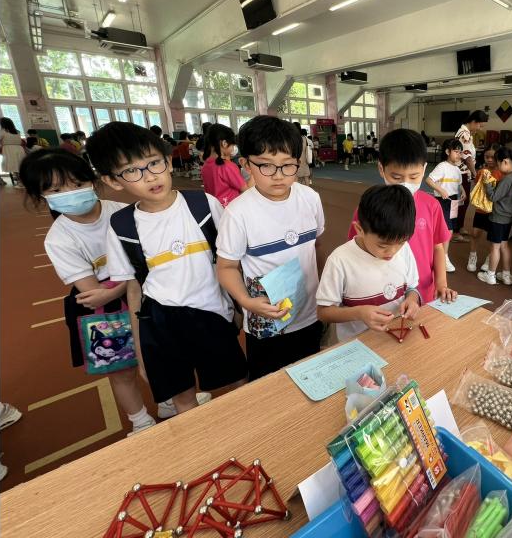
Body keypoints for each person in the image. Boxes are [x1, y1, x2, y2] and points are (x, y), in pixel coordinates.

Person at [19, 148, 194, 436]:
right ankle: (140, 420)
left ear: (92, 180)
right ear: (41, 195)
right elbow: (93, 292)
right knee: (121, 370)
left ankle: (167, 401)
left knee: (157, 354)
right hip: (105, 314)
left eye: (77, 184)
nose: (70, 193)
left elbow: (144, 263)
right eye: (56, 190)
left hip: (145, 296)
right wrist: (131, 280)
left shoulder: (122, 213)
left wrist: (119, 286)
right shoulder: (59, 238)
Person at [86, 123, 247, 414]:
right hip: (160, 324)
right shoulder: (122, 226)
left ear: (168, 161)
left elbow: (230, 262)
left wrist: (238, 306)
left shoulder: (204, 205)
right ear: (113, 181)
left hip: (212, 314)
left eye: (153, 163)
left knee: (239, 383)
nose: (149, 176)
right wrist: (141, 350)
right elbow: (133, 290)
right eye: (131, 170)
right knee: (183, 398)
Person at [216, 116, 325, 380]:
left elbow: (316, 246)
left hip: (310, 314)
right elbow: (226, 267)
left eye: (287, 165)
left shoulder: (310, 199)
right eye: (266, 165)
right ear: (246, 165)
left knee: (312, 377)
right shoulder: (238, 213)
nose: (278, 175)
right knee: (269, 386)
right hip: (267, 321)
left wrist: (325, 291)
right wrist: (246, 301)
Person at [347, 129, 457, 304]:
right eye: (397, 177)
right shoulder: (368, 208)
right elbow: (356, 248)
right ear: (381, 169)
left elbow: (437, 247)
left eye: (414, 176)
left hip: (423, 290)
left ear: (424, 169)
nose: (405, 184)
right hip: (382, 292)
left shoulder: (431, 205)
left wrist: (441, 283)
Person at [317, 185, 421, 343]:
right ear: (359, 229)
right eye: (382, 245)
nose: (392, 252)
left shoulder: (404, 249)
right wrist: (359, 313)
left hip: (394, 338)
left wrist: (412, 300)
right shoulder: (340, 261)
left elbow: (412, 288)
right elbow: (323, 312)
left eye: (400, 243)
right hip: (357, 344)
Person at [476, 147, 512, 286]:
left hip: (498, 217)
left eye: (498, 163)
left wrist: (488, 184)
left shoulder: (507, 179)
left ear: (505, 162)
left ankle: (490, 275)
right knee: (504, 246)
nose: (497, 166)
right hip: (508, 216)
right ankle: (506, 275)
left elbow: (493, 197)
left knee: (495, 247)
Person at [425, 138, 465, 273]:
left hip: (453, 201)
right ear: (448, 152)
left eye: (460, 152)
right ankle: (444, 257)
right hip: (442, 201)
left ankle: (441, 255)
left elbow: (459, 183)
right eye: (456, 151)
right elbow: (429, 180)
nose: (459, 155)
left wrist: (463, 191)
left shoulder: (457, 169)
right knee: (447, 230)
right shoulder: (442, 166)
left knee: (450, 229)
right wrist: (441, 190)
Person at [467, 146, 502, 272]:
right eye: (487, 157)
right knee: (475, 233)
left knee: (492, 238)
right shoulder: (482, 171)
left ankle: (489, 258)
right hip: (481, 209)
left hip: (495, 210)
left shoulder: (502, 173)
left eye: (493, 157)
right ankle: (472, 256)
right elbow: (477, 187)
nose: (490, 159)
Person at [201, 124, 252, 207]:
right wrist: (253, 172)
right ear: (224, 143)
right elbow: (246, 190)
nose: (234, 148)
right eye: (232, 144)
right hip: (232, 207)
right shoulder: (228, 166)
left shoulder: (205, 165)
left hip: (215, 208)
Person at [454, 110, 487, 239]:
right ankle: (456, 230)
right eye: (480, 125)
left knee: (464, 200)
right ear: (473, 122)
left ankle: (460, 226)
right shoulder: (464, 134)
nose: (480, 128)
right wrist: (475, 174)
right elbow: (468, 158)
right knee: (462, 200)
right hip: (462, 172)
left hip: (464, 172)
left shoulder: (467, 133)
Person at [0, 117, 26, 185]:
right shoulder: (17, 131)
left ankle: (20, 181)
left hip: (9, 149)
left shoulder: (3, 131)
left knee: (14, 165)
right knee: (19, 165)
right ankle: (21, 180)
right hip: (19, 148)